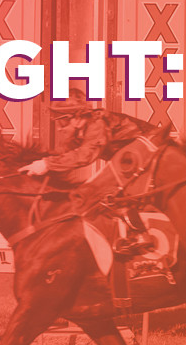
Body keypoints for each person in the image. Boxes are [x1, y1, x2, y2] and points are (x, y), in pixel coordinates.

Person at [20, 89, 157, 255]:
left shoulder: (97, 124)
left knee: (101, 191)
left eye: (62, 121)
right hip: (131, 159)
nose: (60, 127)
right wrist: (38, 161)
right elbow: (65, 153)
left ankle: (142, 236)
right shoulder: (81, 129)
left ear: (77, 117)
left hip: (151, 154)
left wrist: (47, 164)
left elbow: (84, 156)